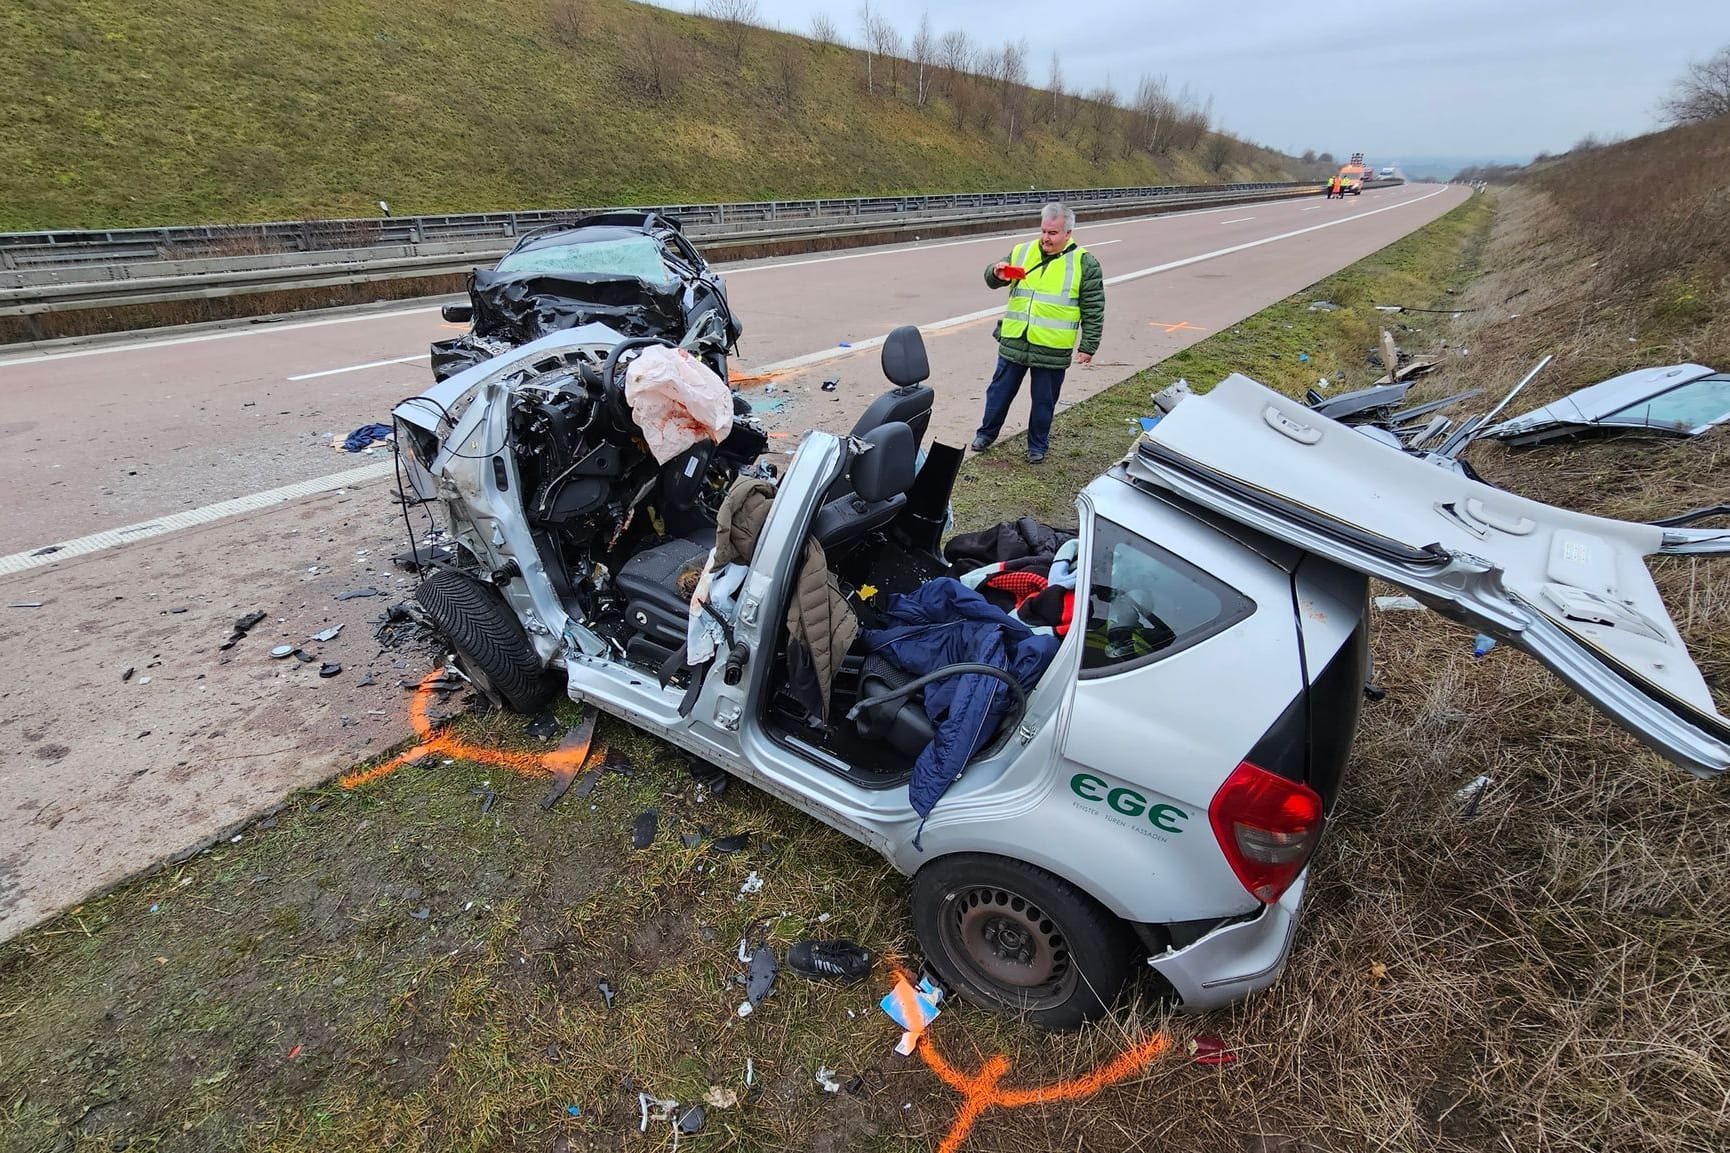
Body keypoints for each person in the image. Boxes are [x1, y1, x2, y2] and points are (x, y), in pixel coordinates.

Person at [970, 203, 1104, 464]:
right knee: (998, 393)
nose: (1045, 238)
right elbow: (992, 277)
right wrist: (996, 273)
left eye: (1053, 233)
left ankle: (1037, 446)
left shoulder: (1084, 263)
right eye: (1043, 231)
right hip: (1015, 340)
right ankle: (985, 434)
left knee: (1044, 402)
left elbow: (1094, 308)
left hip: (1051, 347)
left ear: (1068, 233)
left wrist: (1088, 346)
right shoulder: (1023, 251)